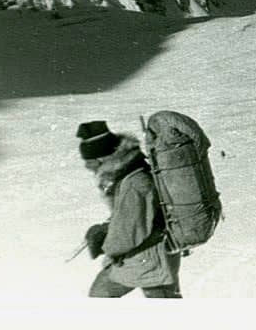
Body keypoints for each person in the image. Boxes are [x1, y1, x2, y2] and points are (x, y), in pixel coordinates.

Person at [76, 120, 182, 298]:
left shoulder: (134, 183)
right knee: (100, 293)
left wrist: (105, 244)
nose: (90, 169)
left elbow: (129, 232)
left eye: (91, 163)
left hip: (150, 259)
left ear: (102, 158)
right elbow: (128, 217)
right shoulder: (126, 175)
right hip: (143, 257)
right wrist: (106, 229)